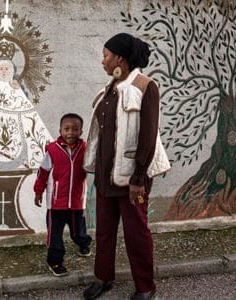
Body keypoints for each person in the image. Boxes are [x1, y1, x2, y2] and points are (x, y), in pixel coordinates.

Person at [82, 33, 170, 300]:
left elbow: (149, 135)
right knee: (104, 231)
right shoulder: (106, 91)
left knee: (136, 234)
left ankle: (145, 286)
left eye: (106, 56)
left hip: (133, 179)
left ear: (120, 57)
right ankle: (103, 277)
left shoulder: (146, 86)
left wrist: (139, 178)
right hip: (106, 177)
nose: (103, 61)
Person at [34, 113, 92, 277]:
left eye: (75, 129)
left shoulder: (86, 149)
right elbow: (43, 172)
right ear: (60, 130)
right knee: (55, 236)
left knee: (78, 231)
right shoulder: (52, 150)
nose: (70, 132)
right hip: (56, 203)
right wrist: (38, 191)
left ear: (81, 131)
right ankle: (55, 262)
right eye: (66, 129)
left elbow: (93, 166)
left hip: (76, 201)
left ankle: (83, 243)